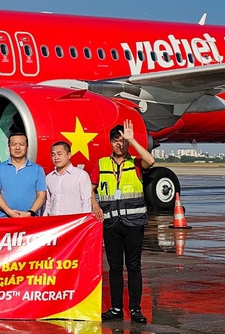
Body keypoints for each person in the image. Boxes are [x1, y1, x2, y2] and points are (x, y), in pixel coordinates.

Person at [92, 119, 155, 324]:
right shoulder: (101, 164)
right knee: (115, 268)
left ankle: (135, 309)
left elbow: (151, 161)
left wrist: (132, 140)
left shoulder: (135, 163)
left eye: (122, 141)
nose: (119, 144)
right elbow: (90, 188)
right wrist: (95, 205)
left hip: (134, 223)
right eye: (116, 140)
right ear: (110, 142)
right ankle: (116, 308)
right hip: (111, 224)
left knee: (134, 266)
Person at [0, 132, 46, 218]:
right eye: (13, 144)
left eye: (21, 144)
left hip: (29, 219)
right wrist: (9, 211)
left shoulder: (38, 169)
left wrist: (30, 213)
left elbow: (41, 195)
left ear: (27, 147)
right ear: (9, 147)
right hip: (4, 218)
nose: (17, 148)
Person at [43, 141, 95, 216]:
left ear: (69, 155)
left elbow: (86, 201)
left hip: (73, 220)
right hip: (53, 220)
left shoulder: (81, 175)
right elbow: (48, 203)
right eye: (53, 155)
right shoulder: (49, 177)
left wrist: (83, 220)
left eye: (59, 154)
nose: (56, 157)